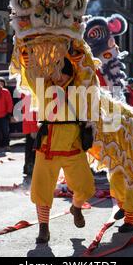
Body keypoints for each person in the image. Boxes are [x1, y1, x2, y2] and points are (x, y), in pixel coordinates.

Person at [31, 58, 96, 244]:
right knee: (41, 190)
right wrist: (29, 51)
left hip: (73, 147)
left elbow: (89, 72)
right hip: (47, 148)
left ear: (70, 73)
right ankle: (43, 228)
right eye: (56, 73)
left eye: (63, 73)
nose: (59, 77)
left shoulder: (80, 90)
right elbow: (31, 72)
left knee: (86, 187)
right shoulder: (43, 86)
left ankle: (76, 207)